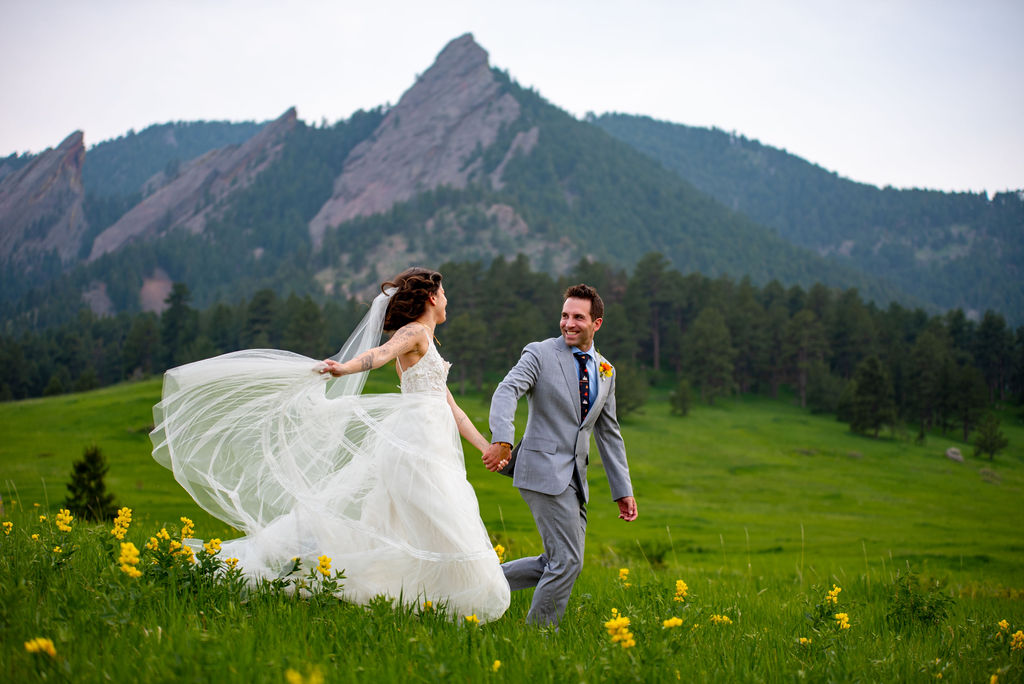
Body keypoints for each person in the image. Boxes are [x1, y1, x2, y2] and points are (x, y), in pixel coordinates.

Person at [151, 268, 509, 622]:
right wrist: (345, 369)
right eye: (444, 294)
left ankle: (422, 599)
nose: (447, 300)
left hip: (433, 446)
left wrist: (485, 447)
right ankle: (454, 601)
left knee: (418, 524)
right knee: (441, 519)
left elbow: (454, 410)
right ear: (432, 297)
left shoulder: (427, 341)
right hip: (415, 447)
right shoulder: (414, 332)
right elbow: (380, 355)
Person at [482, 283, 637, 626]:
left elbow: (608, 433)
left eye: (578, 317)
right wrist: (503, 439)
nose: (568, 323)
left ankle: (475, 583)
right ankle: (539, 634)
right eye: (565, 315)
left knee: (559, 561)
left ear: (597, 323)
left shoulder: (606, 370)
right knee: (567, 562)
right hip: (540, 469)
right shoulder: (539, 353)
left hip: (575, 480)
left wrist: (622, 490)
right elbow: (508, 390)